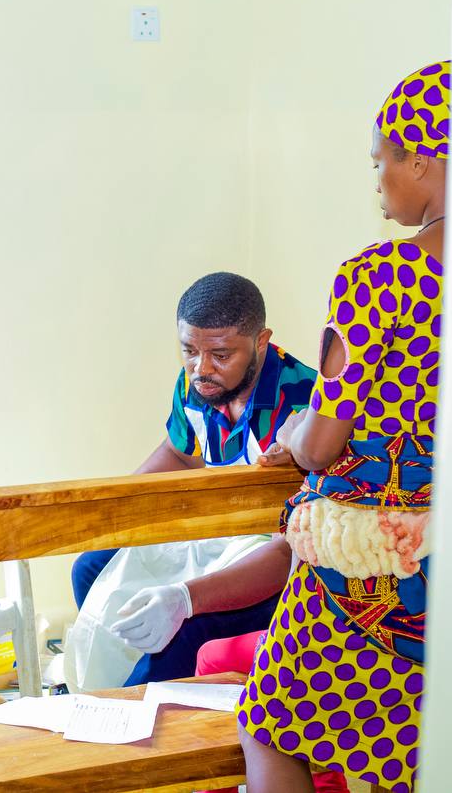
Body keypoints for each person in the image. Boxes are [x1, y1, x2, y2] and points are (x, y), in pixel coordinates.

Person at [236, 61, 449, 793]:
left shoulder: (379, 274)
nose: (378, 181)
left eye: (380, 160)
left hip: (359, 567)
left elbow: (325, 442)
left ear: (420, 160)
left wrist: (296, 426)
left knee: (268, 721)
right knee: (412, 753)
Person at [72, 272, 316, 685]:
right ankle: (108, 688)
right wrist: (114, 509)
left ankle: (139, 705)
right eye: (189, 350)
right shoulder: (198, 385)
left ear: (261, 341)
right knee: (92, 566)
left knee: (182, 630)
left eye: (221, 355)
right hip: (218, 533)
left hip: (277, 559)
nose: (201, 368)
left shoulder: (305, 403)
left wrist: (186, 598)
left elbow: (287, 551)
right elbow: (179, 453)